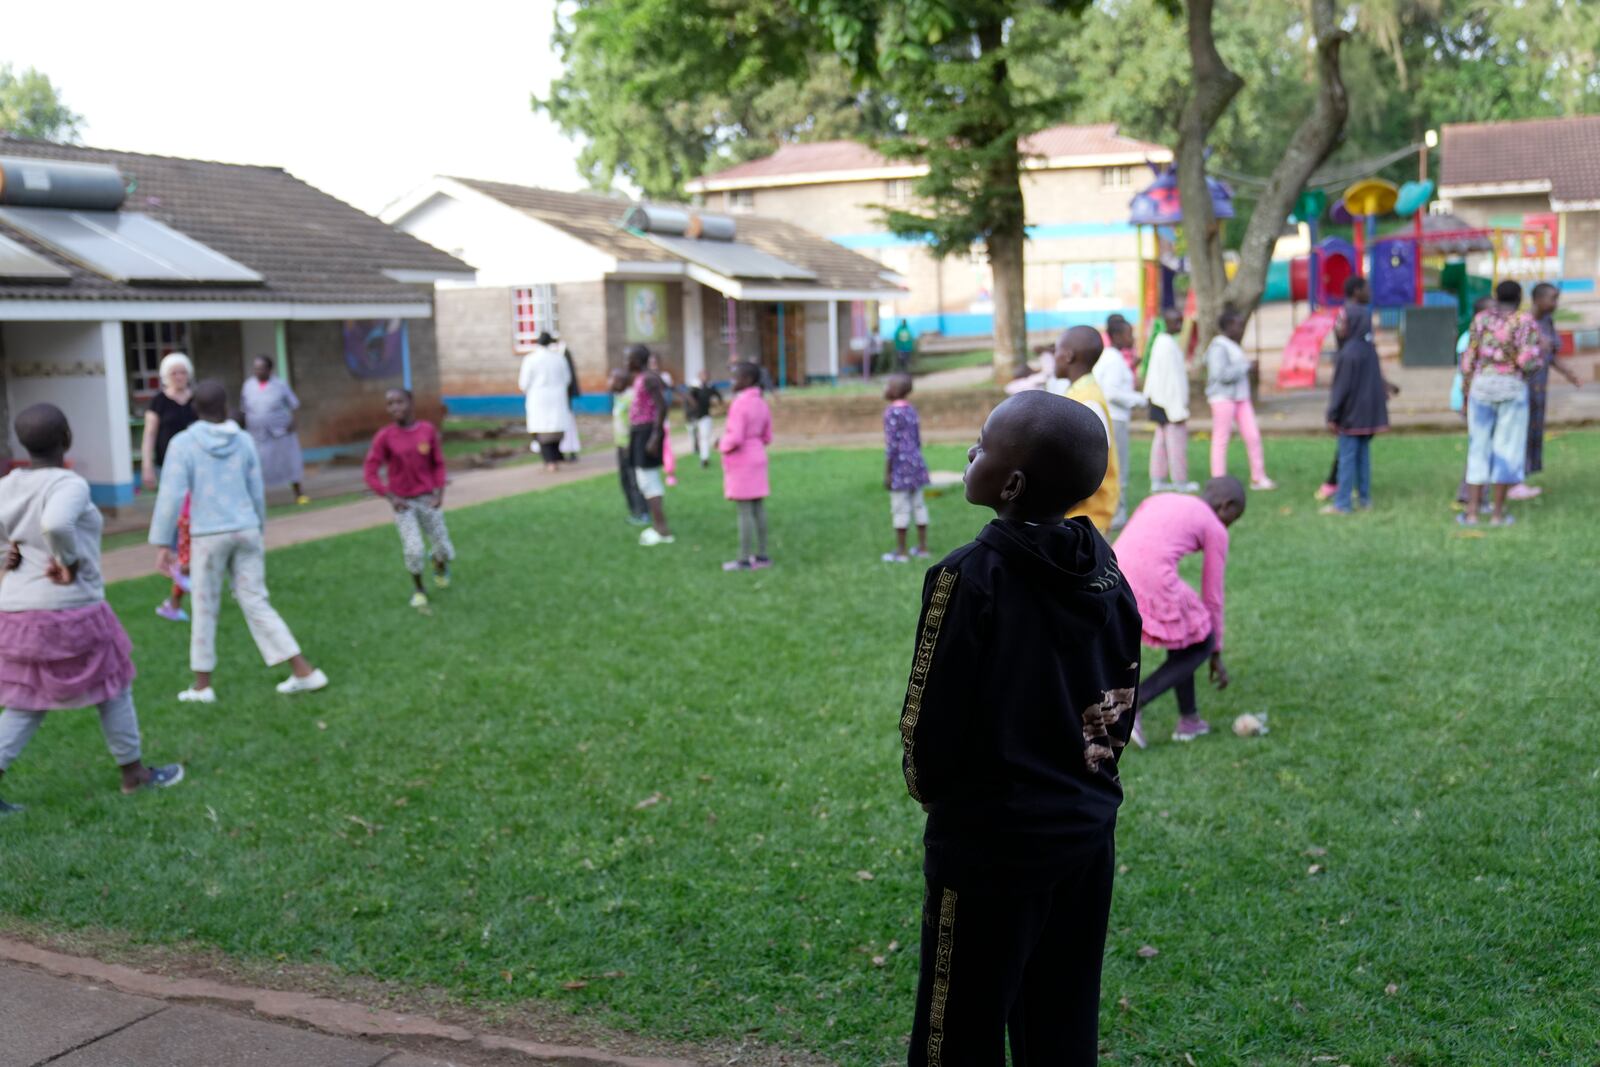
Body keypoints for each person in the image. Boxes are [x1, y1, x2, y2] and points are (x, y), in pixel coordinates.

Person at [899, 390, 1141, 1066]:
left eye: (981, 442)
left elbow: (927, 727)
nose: (968, 451)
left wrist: (936, 798)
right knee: (1061, 1024)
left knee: (958, 1033)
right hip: (1086, 835)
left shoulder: (967, 579)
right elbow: (1120, 701)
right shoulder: (1110, 573)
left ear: (1009, 485)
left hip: (987, 852)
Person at [0, 404, 184, 814]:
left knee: (25, 699)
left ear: (22, 444)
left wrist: (5, 555)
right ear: (67, 437)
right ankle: (134, 774)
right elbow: (56, 524)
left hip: (16, 611)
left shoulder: (9, 484)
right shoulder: (70, 484)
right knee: (113, 686)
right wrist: (69, 562)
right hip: (68, 608)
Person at [149, 380, 328, 702]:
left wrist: (163, 543)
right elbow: (256, 489)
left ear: (194, 409)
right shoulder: (243, 440)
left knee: (204, 607)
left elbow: (171, 495)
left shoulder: (183, 443)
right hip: (246, 528)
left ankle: (202, 687)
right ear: (226, 404)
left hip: (208, 534)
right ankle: (304, 671)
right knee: (256, 600)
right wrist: (259, 526)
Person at [1115, 477, 1245, 747]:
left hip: (1114, 570)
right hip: (1152, 578)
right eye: (1235, 517)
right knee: (1203, 639)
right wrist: (1215, 650)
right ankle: (1132, 706)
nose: (1231, 523)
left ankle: (1190, 720)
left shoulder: (1162, 498)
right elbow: (1213, 596)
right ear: (1226, 506)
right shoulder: (1215, 526)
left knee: (1188, 633)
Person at [1459, 280, 1544, 526]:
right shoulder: (1525, 322)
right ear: (1520, 298)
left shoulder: (1481, 320)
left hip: (1482, 388)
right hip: (1511, 390)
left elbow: (1468, 360)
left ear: (1496, 297)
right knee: (1507, 450)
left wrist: (1466, 394)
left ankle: (1472, 513)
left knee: (1478, 449)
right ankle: (1497, 514)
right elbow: (1528, 361)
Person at [363, 388, 454, 609]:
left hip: (427, 498)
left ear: (411, 403)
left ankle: (439, 564)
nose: (395, 408)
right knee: (414, 549)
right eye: (390, 404)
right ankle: (419, 589)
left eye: (399, 402)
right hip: (403, 503)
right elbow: (370, 471)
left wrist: (439, 493)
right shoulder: (385, 437)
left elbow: (438, 464)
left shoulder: (427, 431)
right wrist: (390, 496)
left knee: (443, 548)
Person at [1322, 277, 1394, 515]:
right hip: (1368, 413)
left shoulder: (1348, 354)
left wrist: (1332, 414)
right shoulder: (1368, 350)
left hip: (1351, 415)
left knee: (1348, 457)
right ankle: (1364, 498)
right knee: (1363, 456)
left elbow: (1340, 389)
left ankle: (1342, 502)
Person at [1510, 282, 1582, 500]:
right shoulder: (1521, 322)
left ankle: (1520, 478)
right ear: (1538, 299)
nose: (1555, 303)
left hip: (1539, 389)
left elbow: (1551, 354)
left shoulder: (1546, 322)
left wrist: (1569, 373)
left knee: (1533, 432)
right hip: (1520, 388)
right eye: (1552, 298)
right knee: (1517, 433)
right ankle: (1513, 481)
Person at [141, 352, 197, 623]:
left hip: (196, 470)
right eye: (174, 373)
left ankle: (183, 577)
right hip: (169, 469)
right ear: (166, 376)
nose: (179, 377)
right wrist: (147, 465)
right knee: (176, 517)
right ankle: (176, 562)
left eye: (182, 372)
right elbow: (150, 434)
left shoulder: (196, 400)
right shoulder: (159, 402)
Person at [1049, 326, 1120, 534]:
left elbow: (1091, 464)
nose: (1054, 356)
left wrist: (1060, 505)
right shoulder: (1077, 393)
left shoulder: (1088, 401)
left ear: (1068, 356)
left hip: (1087, 520)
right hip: (1074, 519)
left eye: (1056, 351)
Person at [1204, 310, 1275, 490]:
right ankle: (1218, 479)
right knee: (1221, 439)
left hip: (1241, 398)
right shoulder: (1218, 347)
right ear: (1228, 327)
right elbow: (1220, 374)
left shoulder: (1233, 346)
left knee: (1253, 436)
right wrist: (1245, 367)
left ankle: (1258, 477)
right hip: (1223, 398)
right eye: (1238, 325)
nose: (1242, 329)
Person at [718, 362, 774, 571]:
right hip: (758, 455)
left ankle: (743, 559)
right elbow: (767, 435)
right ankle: (762, 556)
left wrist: (721, 444)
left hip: (742, 461)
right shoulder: (761, 402)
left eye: (736, 377)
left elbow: (736, 437)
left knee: (744, 512)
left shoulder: (740, 404)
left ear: (748, 380)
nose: (733, 381)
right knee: (758, 509)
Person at [1093, 318, 1145, 529]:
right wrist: (1139, 399)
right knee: (1119, 467)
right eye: (1128, 334)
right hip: (1116, 418)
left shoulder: (1109, 357)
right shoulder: (1113, 360)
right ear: (1115, 336)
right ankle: (1116, 514)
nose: (1131, 338)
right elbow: (1112, 392)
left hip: (1111, 416)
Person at [239, 355, 308, 505]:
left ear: (269, 370)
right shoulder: (248, 385)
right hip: (257, 434)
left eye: (261, 368)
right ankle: (254, 498)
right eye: (255, 368)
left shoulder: (280, 385)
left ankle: (299, 493)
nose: (258, 371)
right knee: (256, 465)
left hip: (280, 432)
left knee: (289, 462)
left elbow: (294, 405)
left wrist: (293, 423)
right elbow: (244, 409)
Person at [881, 373, 932, 563]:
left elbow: (892, 445)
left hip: (900, 466)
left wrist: (887, 471)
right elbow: (917, 439)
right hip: (917, 463)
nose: (884, 388)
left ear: (894, 391)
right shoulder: (911, 410)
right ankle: (922, 548)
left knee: (900, 508)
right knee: (919, 505)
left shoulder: (891, 412)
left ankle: (901, 552)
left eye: (887, 385)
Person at [1144, 307, 1196, 493]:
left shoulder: (1162, 342)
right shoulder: (1166, 345)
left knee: (1161, 442)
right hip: (1169, 404)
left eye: (1181, 321)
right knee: (1175, 443)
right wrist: (1177, 410)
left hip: (1160, 400)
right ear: (1166, 322)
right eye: (1176, 321)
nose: (1180, 325)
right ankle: (1180, 482)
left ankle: (1157, 480)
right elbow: (1171, 381)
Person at [626, 345, 674, 546]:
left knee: (649, 479)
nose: (625, 362)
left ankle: (662, 530)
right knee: (643, 479)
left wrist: (655, 436)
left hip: (647, 431)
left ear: (637, 360)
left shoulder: (648, 378)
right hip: (639, 431)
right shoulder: (642, 378)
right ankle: (656, 526)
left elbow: (662, 405)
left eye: (628, 358)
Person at [519, 331, 573, 471]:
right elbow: (567, 379)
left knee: (541, 428)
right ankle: (554, 458)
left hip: (538, 397)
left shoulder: (530, 359)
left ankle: (550, 460)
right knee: (555, 427)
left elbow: (523, 383)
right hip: (557, 396)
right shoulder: (559, 359)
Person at [610, 368, 649, 525]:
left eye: (614, 379)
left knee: (635, 480)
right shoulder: (618, 397)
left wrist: (630, 444)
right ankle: (634, 511)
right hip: (620, 445)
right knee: (625, 480)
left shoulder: (631, 397)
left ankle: (643, 512)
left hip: (630, 445)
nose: (611, 382)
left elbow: (635, 422)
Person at [683, 371, 724, 468]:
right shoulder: (694, 387)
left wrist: (720, 405)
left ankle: (704, 458)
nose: (705, 377)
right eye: (703, 375)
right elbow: (688, 397)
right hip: (692, 416)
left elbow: (718, 396)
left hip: (704, 415)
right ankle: (696, 447)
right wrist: (693, 405)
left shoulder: (710, 387)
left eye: (706, 375)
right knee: (692, 433)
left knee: (705, 437)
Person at [559, 345, 583, 462]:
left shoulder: (562, 352)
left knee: (568, 426)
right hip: (556, 401)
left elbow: (568, 378)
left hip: (563, 400)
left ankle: (571, 451)